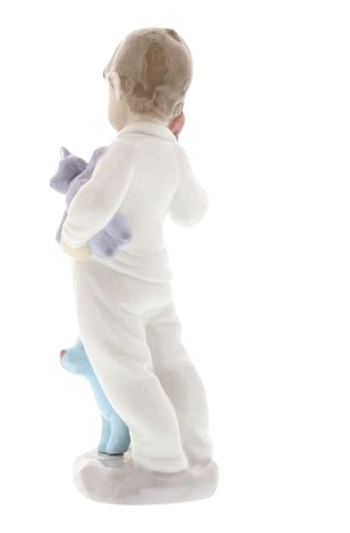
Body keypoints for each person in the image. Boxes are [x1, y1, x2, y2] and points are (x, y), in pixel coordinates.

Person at [61, 28, 213, 475]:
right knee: (172, 362)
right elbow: (192, 211)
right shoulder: (172, 154)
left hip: (111, 286)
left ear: (119, 86)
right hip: (156, 285)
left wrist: (72, 238)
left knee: (125, 371)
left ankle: (160, 456)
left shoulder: (123, 150)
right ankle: (196, 447)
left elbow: (92, 205)